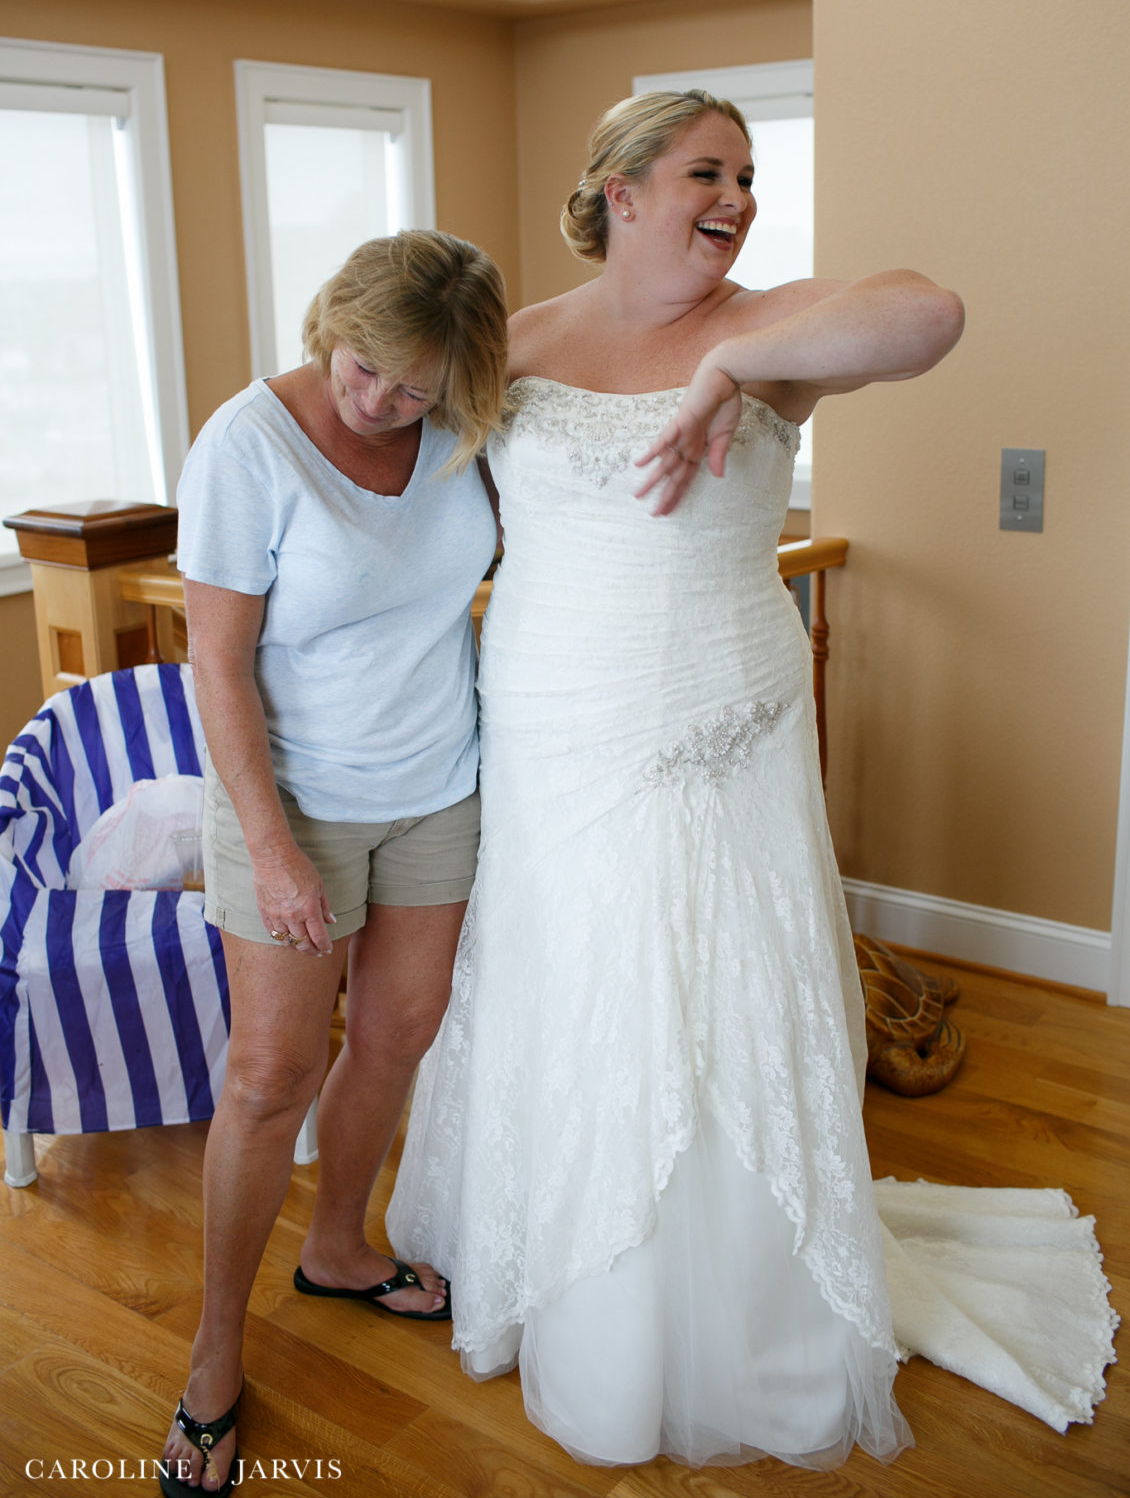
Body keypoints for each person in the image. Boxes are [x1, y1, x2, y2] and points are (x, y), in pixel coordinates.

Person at [386, 91, 965, 1468]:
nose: (738, 196)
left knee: (720, 980)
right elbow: (393, 463)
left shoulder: (777, 330)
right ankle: (551, 1269)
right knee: (572, 972)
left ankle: (732, 1307)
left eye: (749, 175)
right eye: (707, 169)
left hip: (720, 711)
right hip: (549, 715)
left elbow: (928, 311)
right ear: (620, 188)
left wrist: (732, 363)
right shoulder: (514, 341)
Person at [160, 230, 509, 1498]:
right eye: (363, 369)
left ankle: (341, 1248)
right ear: (331, 328)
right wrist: (268, 848)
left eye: (413, 388)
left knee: (401, 1031)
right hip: (291, 803)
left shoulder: (466, 428)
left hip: (440, 787)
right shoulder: (245, 447)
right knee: (267, 1075)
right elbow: (218, 666)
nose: (379, 403)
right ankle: (212, 1355)